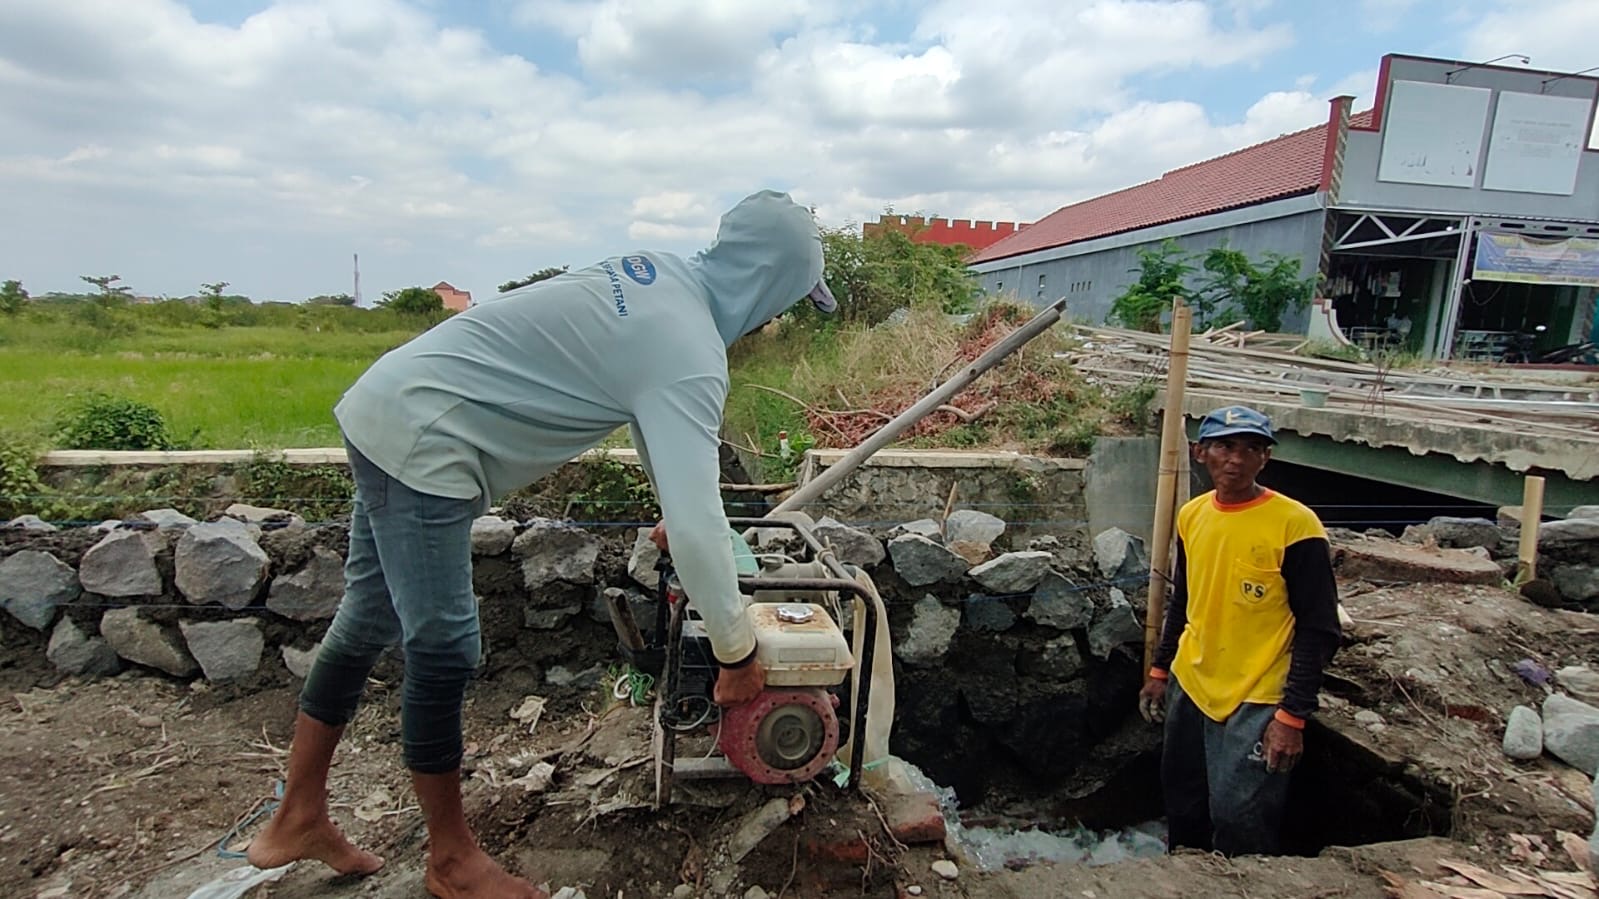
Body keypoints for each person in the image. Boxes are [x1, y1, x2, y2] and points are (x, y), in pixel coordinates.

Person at [246, 190, 838, 898]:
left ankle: (298, 815)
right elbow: (693, 496)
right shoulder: (690, 350)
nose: (776, 316)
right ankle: (451, 862)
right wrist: (736, 652)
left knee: (369, 613)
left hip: (390, 403)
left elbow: (662, 444)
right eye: (787, 298)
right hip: (427, 443)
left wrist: (682, 514)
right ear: (769, 283)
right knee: (444, 644)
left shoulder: (655, 277)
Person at [1136, 404, 1341, 857]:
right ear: (1200, 452)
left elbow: (1319, 627)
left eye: (1251, 449)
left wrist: (1292, 716)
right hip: (1193, 681)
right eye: (1225, 447)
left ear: (1264, 460)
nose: (1236, 459)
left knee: (1238, 815)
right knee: (1183, 799)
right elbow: (1185, 600)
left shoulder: (1295, 526)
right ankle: (1184, 876)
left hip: (1258, 693)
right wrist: (1160, 669)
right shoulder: (1192, 515)